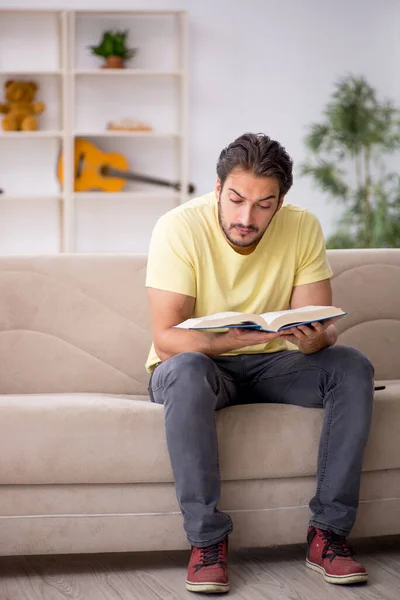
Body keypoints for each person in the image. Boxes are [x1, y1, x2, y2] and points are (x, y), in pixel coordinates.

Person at [145, 133, 374, 594]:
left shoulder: (303, 226)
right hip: (196, 365)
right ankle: (206, 542)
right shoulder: (178, 227)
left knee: (351, 366)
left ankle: (328, 535)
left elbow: (322, 325)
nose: (246, 218)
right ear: (217, 188)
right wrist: (225, 341)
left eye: (264, 205)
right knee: (188, 370)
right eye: (236, 199)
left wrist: (316, 341)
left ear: (281, 201)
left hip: (275, 364)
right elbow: (166, 338)